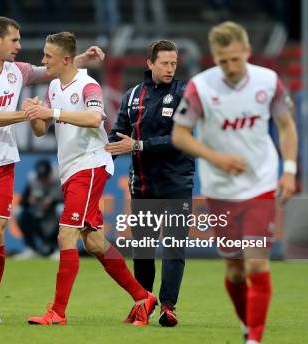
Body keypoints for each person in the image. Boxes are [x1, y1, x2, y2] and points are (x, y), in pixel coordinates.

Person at [0, 16, 104, 323]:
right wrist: (26, 114)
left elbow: (52, 68)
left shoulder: (16, 71)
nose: (20, 47)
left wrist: (82, 59)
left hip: (2, 163)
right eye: (15, 40)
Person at [172, 21, 298, 344]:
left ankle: (254, 339)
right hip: (219, 188)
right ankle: (247, 326)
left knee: (256, 264)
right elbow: (180, 135)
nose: (229, 67)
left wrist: (289, 170)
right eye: (222, 60)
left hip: (260, 183)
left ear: (247, 52)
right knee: (235, 270)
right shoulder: (200, 88)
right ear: (213, 57)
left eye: (234, 59)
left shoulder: (269, 82)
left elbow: (286, 126)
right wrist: (216, 158)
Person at [24, 31, 157, 326]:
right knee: (94, 242)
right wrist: (34, 113)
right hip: (70, 169)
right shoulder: (54, 86)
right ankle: (142, 297)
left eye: (48, 56)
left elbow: (96, 118)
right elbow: (40, 129)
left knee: (66, 234)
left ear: (66, 59)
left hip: (91, 164)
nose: (43, 61)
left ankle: (57, 311)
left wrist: (52, 111)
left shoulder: (87, 85)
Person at [105, 39, 194, 327]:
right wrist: (96, 159)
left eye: (174, 63)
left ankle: (168, 306)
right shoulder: (132, 96)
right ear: (150, 64)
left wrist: (139, 146)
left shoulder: (183, 94)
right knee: (143, 249)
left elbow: (181, 139)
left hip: (176, 182)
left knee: (174, 246)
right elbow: (118, 137)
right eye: (165, 63)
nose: (170, 69)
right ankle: (144, 303)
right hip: (142, 184)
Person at [14, 159, 62, 259]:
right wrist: (29, 200)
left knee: (61, 209)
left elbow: (69, 200)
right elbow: (22, 202)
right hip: (39, 212)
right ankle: (30, 248)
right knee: (18, 211)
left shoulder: (60, 177)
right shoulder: (32, 178)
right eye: (41, 177)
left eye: (45, 177)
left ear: (50, 173)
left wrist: (53, 200)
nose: (43, 180)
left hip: (54, 214)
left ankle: (60, 249)